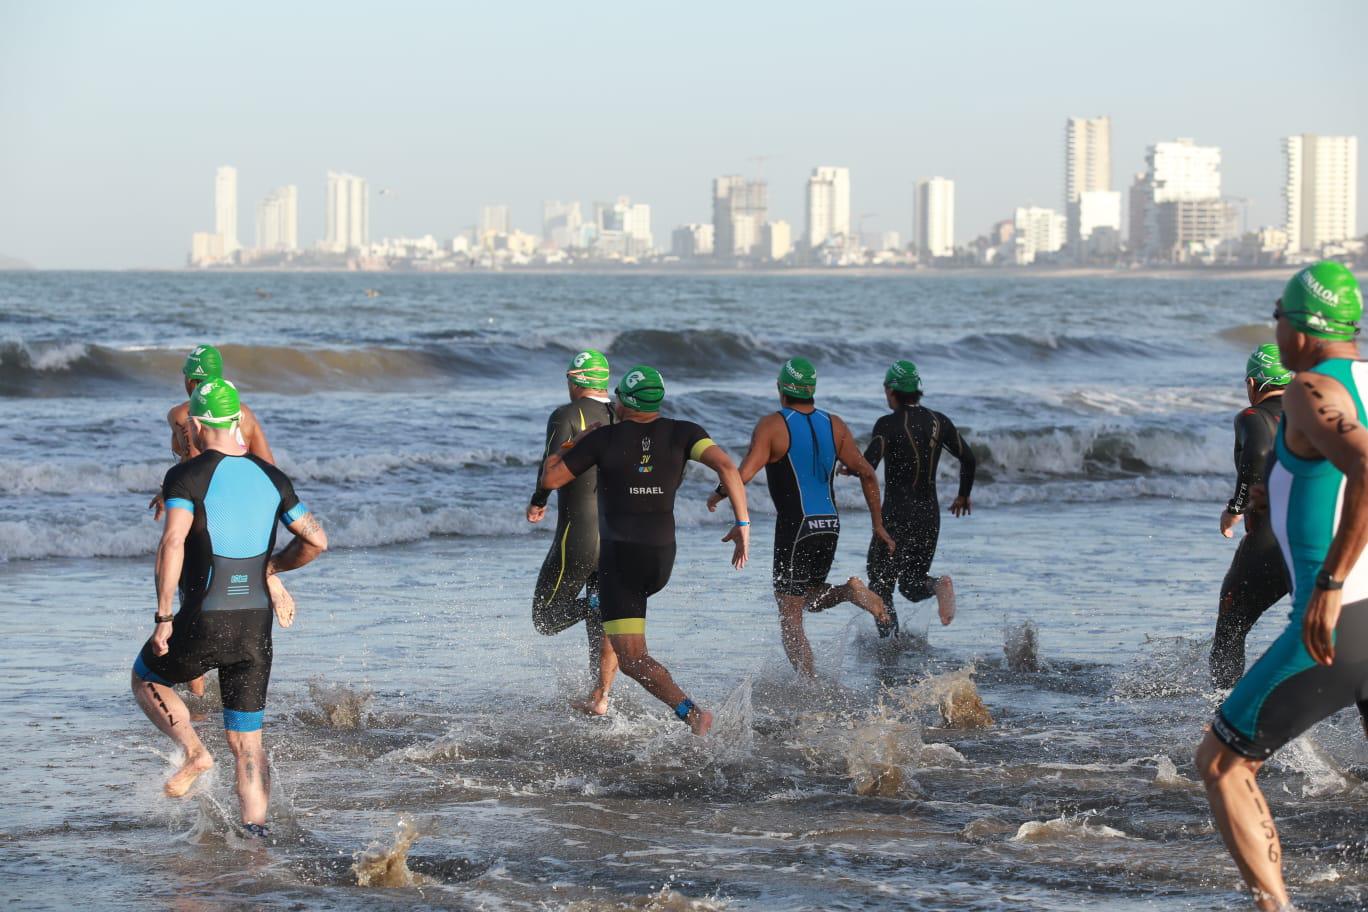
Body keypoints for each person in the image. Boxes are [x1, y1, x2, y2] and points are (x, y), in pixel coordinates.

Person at [1196, 261, 1368, 911]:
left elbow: (1365, 466)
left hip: (1340, 617)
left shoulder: (1307, 389)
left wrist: (1329, 582)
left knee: (1220, 762)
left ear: (1301, 326)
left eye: (1277, 313)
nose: (1273, 325)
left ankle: (1276, 907)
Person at [130, 378, 327, 838]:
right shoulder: (272, 477)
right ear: (237, 420)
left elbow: (173, 541)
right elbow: (317, 540)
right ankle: (255, 837)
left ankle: (194, 751)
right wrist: (271, 567)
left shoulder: (187, 476)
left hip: (203, 619)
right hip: (255, 629)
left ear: (196, 424)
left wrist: (163, 617)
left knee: (146, 675)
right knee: (248, 744)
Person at [539, 364, 748, 734]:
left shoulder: (602, 440)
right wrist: (742, 524)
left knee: (633, 658)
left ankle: (693, 714)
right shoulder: (685, 433)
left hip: (621, 562)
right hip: (661, 559)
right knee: (615, 621)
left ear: (623, 401)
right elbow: (727, 466)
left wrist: (576, 441)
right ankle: (600, 693)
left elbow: (551, 478)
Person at [710, 357, 893, 678]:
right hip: (830, 524)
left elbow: (745, 473)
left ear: (781, 389)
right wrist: (877, 523)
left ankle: (808, 686)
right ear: (812, 390)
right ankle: (850, 592)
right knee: (809, 596)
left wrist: (719, 492)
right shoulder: (835, 424)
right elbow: (866, 472)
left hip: (796, 527)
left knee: (790, 614)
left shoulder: (771, 425)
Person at [149, 344, 288, 697]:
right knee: (238, 580)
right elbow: (268, 466)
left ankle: (196, 698)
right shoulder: (245, 413)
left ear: (191, 379)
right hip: (246, 518)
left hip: (202, 517)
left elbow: (199, 467)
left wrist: (173, 492)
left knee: (193, 599)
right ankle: (267, 574)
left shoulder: (181, 414)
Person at [526, 350, 617, 709]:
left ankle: (594, 608)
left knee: (545, 618)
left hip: (578, 535)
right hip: (617, 536)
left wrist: (539, 500)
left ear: (575, 382)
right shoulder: (623, 417)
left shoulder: (566, 415)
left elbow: (550, 463)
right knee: (601, 611)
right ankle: (601, 695)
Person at [856, 360, 975, 632]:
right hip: (929, 516)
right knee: (912, 583)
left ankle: (890, 642)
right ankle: (937, 585)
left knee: (880, 583)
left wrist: (849, 466)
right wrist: (963, 495)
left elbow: (868, 465)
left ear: (891, 391)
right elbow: (969, 458)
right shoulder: (938, 421)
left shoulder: (887, 424)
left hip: (896, 516)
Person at [1210, 345, 1292, 688]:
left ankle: (1226, 716)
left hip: (1271, 541)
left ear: (1253, 383)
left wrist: (1236, 508)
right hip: (1322, 540)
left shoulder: (1252, 417)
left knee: (1230, 628)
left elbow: (1257, 452)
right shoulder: (1320, 415)